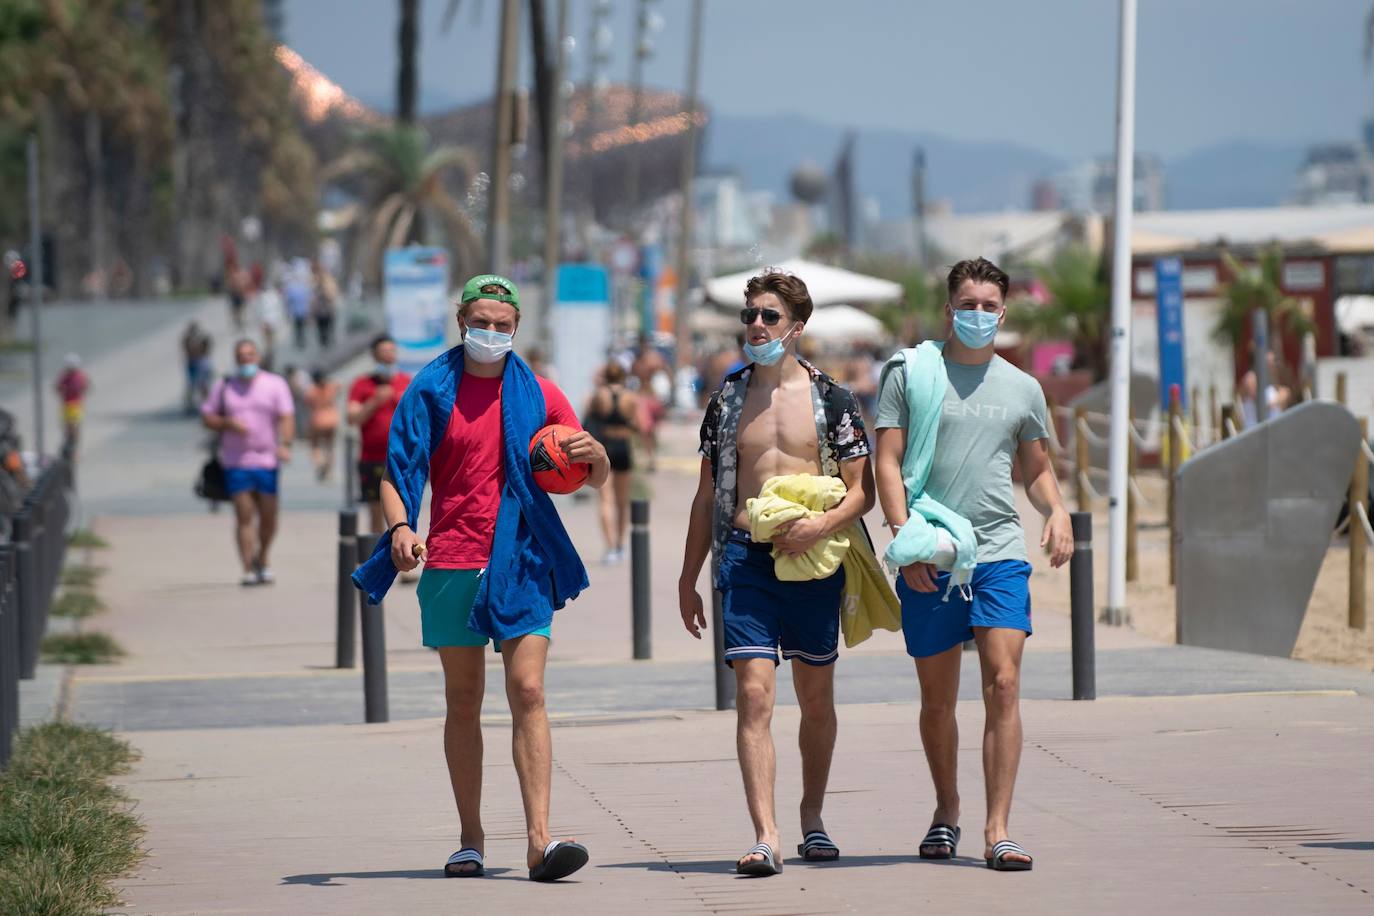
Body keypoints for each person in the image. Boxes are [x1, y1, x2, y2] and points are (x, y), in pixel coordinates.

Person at [353, 274, 610, 882]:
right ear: (461, 320)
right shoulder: (430, 390)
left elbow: (586, 471)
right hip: (450, 559)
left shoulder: (541, 393)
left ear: (516, 328)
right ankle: (470, 838)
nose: (490, 333)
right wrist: (399, 529)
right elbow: (397, 475)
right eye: (480, 321)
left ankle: (539, 842)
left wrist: (596, 458)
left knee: (528, 692)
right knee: (463, 700)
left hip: (521, 559)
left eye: (502, 324)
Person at [872, 257, 1072, 872]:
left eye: (989, 305)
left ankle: (998, 828)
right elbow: (887, 460)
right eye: (968, 303)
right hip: (932, 549)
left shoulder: (1022, 387)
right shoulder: (912, 372)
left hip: (999, 552)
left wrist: (1057, 511)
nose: (978, 314)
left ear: (1003, 313)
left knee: (1004, 684)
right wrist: (907, 544)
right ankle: (947, 809)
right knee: (938, 699)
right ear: (949, 308)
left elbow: (1035, 467)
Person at [679, 268, 876, 876]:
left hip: (814, 559)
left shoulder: (832, 399)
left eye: (768, 317)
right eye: (750, 316)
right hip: (745, 558)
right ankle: (766, 834)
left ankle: (811, 817)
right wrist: (688, 577)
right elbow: (708, 493)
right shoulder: (728, 398)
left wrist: (820, 527)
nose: (756, 327)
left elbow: (860, 492)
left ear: (796, 326)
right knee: (754, 695)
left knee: (815, 698)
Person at [201, 339, 295, 586]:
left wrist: (285, 444)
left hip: (267, 460)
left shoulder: (275, 384)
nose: (246, 359)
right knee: (244, 514)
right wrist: (227, 424)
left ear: (258, 356)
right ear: (236, 359)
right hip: (236, 461)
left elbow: (286, 417)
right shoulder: (225, 386)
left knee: (268, 516)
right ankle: (247, 567)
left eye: (250, 354)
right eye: (241, 356)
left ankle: (262, 557)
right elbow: (208, 416)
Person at [348, 335, 412, 535]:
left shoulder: (406, 382)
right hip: (372, 459)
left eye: (391, 352)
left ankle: (400, 555)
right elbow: (352, 418)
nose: (388, 357)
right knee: (375, 511)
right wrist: (374, 401)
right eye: (383, 353)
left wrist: (404, 404)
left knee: (403, 512)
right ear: (375, 356)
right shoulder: (362, 384)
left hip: (401, 459)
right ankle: (376, 555)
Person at [585, 360, 639, 564]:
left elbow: (588, 418)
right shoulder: (630, 397)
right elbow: (638, 424)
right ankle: (620, 544)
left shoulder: (599, 395)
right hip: (623, 445)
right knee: (622, 500)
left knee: (605, 499)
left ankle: (609, 548)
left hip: (604, 446)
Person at [630, 334, 670, 471]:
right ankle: (650, 458)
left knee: (650, 430)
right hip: (644, 397)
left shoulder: (650, 360)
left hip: (651, 396)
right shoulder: (638, 361)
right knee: (645, 430)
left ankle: (651, 456)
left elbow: (664, 370)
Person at [303, 368, 341, 482]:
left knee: (314, 445)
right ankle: (328, 469)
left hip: (317, 418)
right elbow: (339, 386)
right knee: (330, 446)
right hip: (332, 418)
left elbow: (307, 403)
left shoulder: (311, 390)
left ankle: (320, 462)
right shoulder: (330, 387)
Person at [55, 353, 90, 461]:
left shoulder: (80, 376)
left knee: (74, 429)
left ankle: (74, 451)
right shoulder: (65, 376)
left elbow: (86, 387)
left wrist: (77, 389)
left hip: (75, 405)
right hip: (66, 405)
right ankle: (68, 449)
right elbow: (57, 388)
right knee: (67, 429)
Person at [182, 321, 213, 415]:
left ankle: (208, 405)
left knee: (203, 384)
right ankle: (190, 405)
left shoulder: (202, 337)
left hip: (201, 361)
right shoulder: (187, 338)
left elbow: (208, 347)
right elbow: (185, 349)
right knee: (191, 385)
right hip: (192, 362)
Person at [312, 259, 339, 349]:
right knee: (321, 329)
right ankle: (324, 343)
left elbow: (332, 294)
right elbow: (312, 297)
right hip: (319, 310)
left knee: (327, 328)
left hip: (327, 310)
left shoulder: (329, 280)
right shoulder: (314, 280)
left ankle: (327, 343)